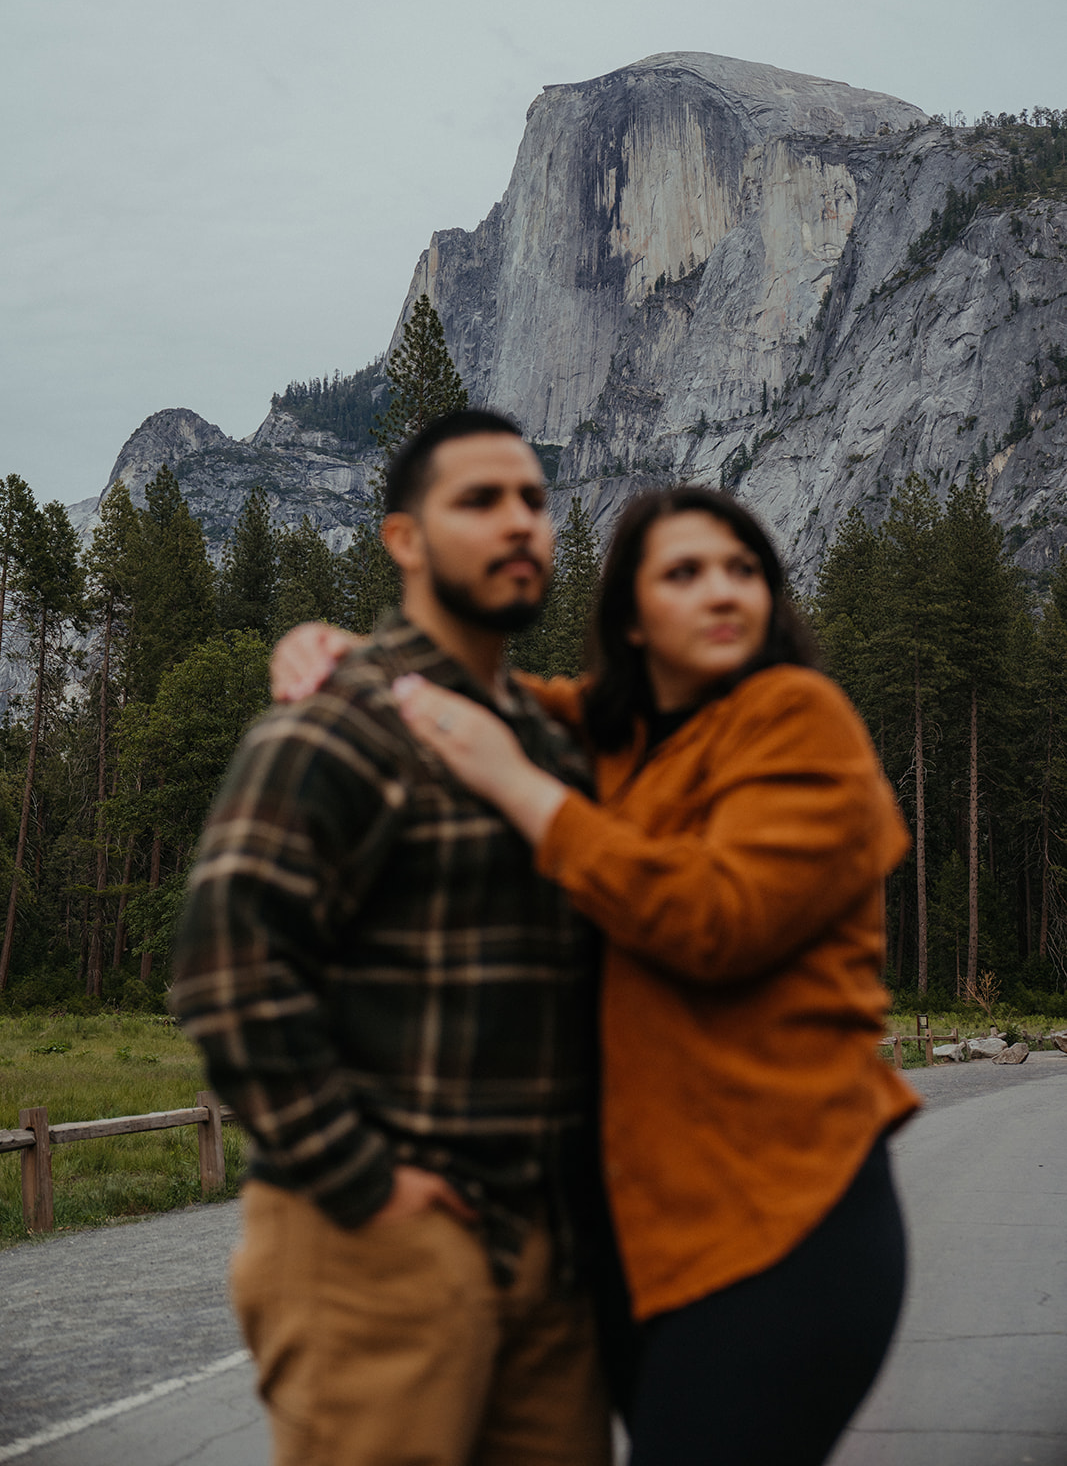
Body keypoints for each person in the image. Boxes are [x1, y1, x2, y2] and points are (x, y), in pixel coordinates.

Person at [277, 484, 921, 1466]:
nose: (721, 591)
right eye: (683, 572)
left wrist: (520, 787)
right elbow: (482, 699)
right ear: (629, 615)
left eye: (743, 569)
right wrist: (338, 651)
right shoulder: (613, 734)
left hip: (784, 1226)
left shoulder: (800, 717)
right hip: (641, 1247)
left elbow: (715, 917)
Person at [171, 409, 613, 1466]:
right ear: (402, 540)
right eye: (478, 500)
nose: (518, 523)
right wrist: (365, 1185)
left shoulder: (549, 750)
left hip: (549, 1262)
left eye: (534, 501)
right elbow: (225, 966)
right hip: (379, 1248)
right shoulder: (338, 723)